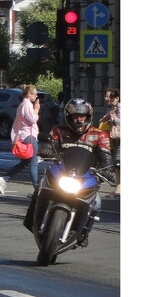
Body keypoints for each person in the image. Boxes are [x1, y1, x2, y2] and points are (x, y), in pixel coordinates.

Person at [22, 98, 114, 246]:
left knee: (97, 203)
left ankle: (83, 232)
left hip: (86, 177)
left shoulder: (99, 135)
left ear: (88, 117)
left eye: (82, 116)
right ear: (68, 117)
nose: (78, 120)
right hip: (61, 174)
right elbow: (49, 143)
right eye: (75, 116)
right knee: (40, 187)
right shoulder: (58, 131)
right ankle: (31, 220)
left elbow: (106, 156)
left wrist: (108, 170)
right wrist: (46, 149)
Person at [0, 85, 41, 194]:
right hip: (29, 137)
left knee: (25, 163)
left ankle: (4, 178)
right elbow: (32, 120)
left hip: (24, 136)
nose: (36, 96)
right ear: (29, 94)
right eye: (35, 94)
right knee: (33, 163)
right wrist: (36, 110)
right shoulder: (27, 105)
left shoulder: (22, 105)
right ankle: (38, 189)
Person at [103, 89, 121, 196]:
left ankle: (118, 189)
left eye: (110, 97)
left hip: (120, 137)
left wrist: (113, 118)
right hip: (116, 138)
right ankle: (118, 188)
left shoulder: (120, 107)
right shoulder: (113, 108)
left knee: (119, 164)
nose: (107, 99)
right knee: (117, 164)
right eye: (106, 96)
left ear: (117, 98)